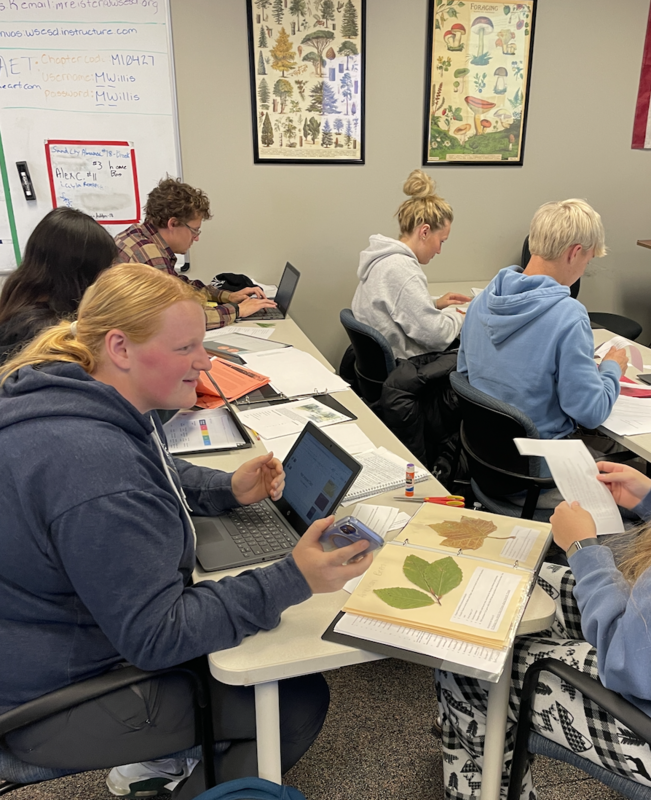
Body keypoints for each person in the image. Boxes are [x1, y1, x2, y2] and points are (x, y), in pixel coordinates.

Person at [0, 263, 373, 800]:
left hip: (44, 646)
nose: (203, 361)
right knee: (294, 702)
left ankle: (155, 764)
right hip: (46, 700)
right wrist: (293, 578)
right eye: (185, 349)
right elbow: (159, 635)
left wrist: (226, 489)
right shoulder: (94, 470)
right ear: (121, 347)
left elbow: (156, 474)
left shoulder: (86, 394)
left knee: (252, 663)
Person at [437, 287, 651, 800]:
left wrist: (586, 552)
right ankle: (473, 748)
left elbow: (630, 659)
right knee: (506, 588)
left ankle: (473, 751)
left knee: (474, 659)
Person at [458, 199, 629, 440]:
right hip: (542, 461)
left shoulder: (480, 302)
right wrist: (612, 369)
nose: (583, 270)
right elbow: (591, 412)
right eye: (587, 261)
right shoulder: (569, 317)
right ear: (575, 252)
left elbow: (465, 375)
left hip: (485, 458)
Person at [115, 177, 276, 330]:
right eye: (194, 230)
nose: (196, 238)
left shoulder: (137, 235)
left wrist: (227, 296)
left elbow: (178, 286)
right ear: (173, 223)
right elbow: (181, 319)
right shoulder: (148, 254)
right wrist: (238, 310)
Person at [351, 169, 471, 360]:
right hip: (407, 369)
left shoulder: (382, 259)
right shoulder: (403, 271)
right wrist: (463, 317)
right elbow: (438, 336)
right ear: (424, 232)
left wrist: (434, 304)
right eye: (441, 241)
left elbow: (396, 306)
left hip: (384, 365)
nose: (439, 250)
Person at [0, 207, 117, 364]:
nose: (105, 279)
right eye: (103, 270)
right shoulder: (49, 335)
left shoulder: (19, 301)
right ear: (80, 274)